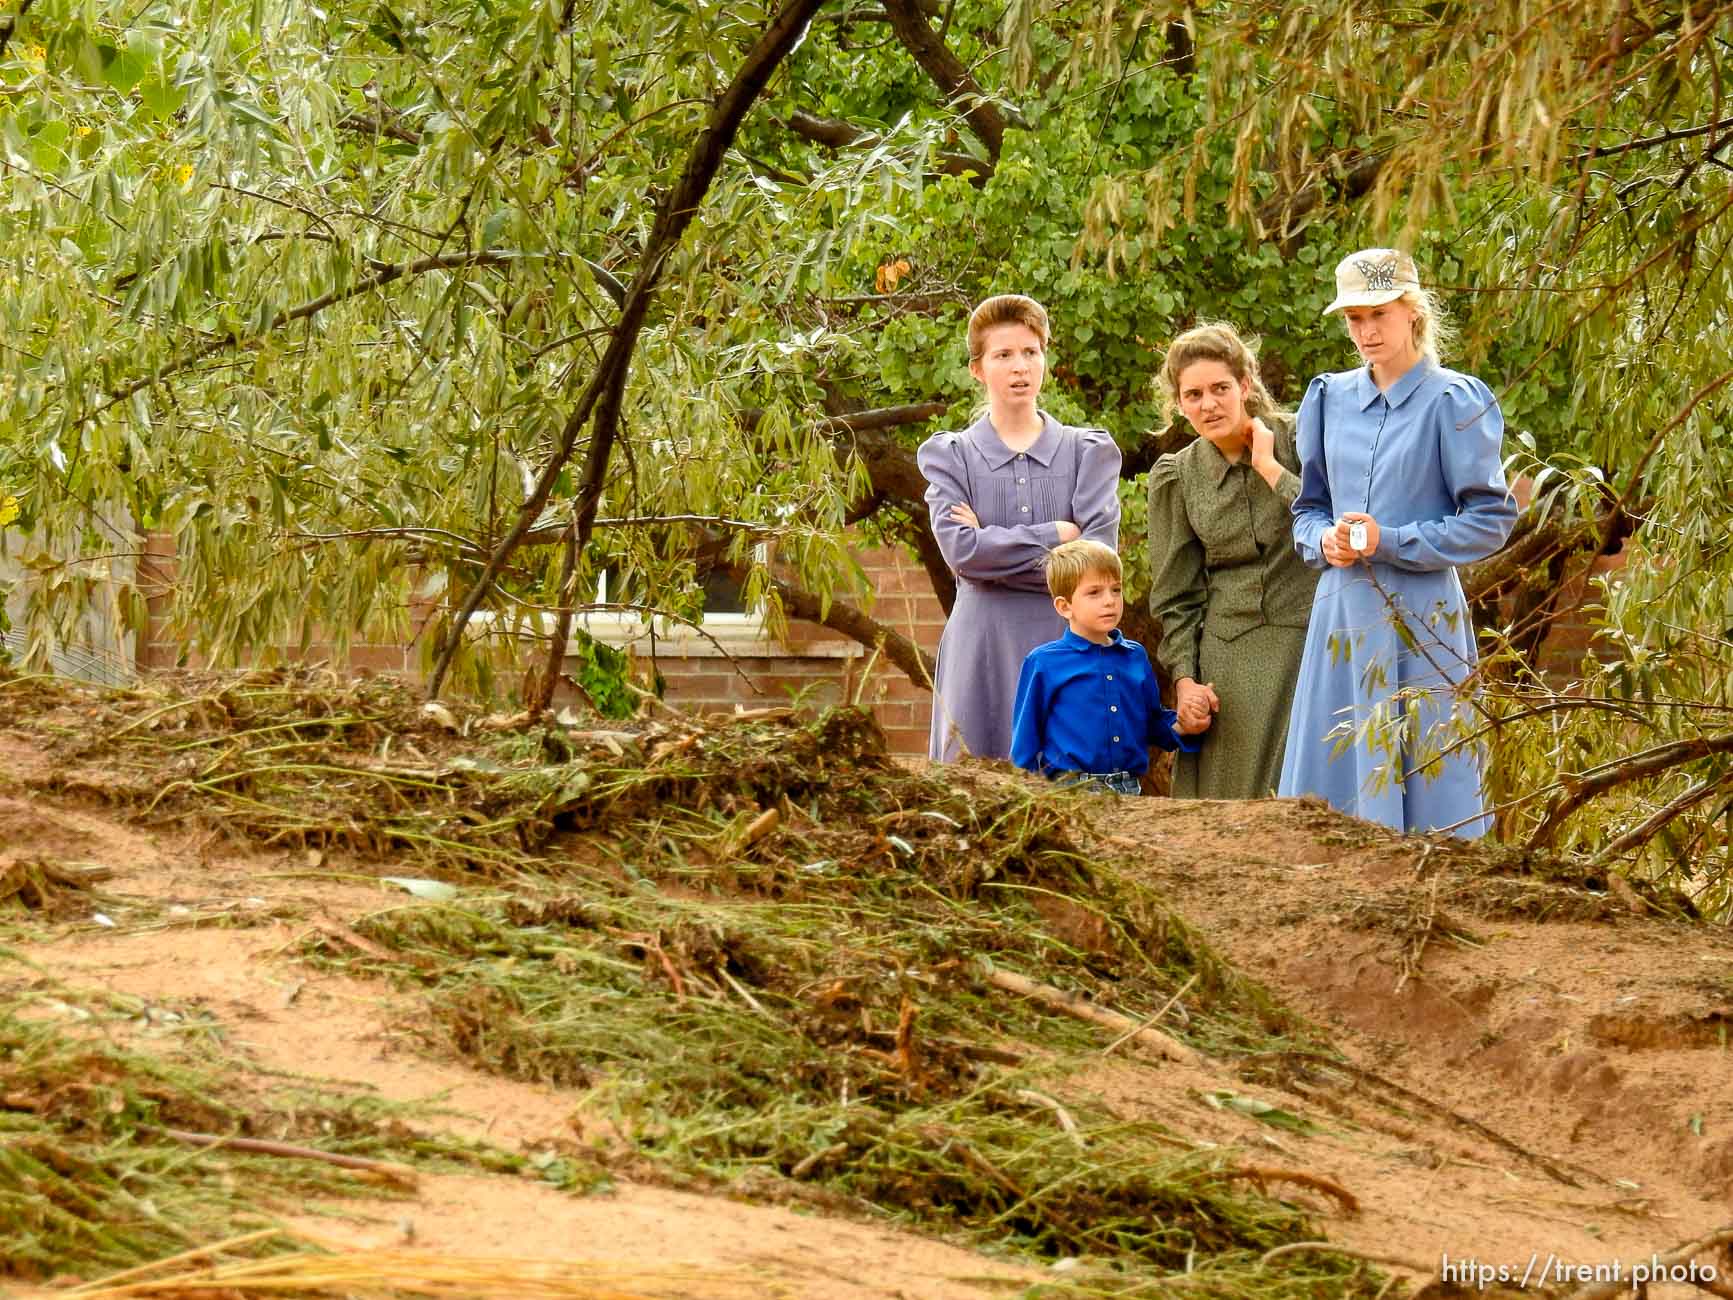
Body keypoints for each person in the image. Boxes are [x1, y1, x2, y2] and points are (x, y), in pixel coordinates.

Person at [1278, 249, 1518, 836]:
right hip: (1342, 615)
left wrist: (1393, 540)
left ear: (1412, 311)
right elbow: (1307, 509)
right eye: (1353, 319)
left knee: (1434, 796)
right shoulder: (1327, 399)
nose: (1365, 331)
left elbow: (1491, 518)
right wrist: (1322, 541)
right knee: (1332, 803)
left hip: (1422, 617)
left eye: (1377, 314)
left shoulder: (1454, 400)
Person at [918, 295, 1122, 762]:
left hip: (1066, 642)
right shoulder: (951, 457)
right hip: (981, 650)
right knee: (973, 799)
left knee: (1070, 795)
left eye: (1031, 352)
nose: (1020, 367)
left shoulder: (1086, 452)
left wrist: (992, 554)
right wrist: (1057, 534)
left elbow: (1097, 564)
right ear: (977, 369)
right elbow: (962, 554)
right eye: (1003, 355)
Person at [1147, 323, 1320, 798]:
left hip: (1309, 646)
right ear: (1179, 403)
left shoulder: (1303, 440)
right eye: (1193, 394)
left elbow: (1331, 525)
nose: (1208, 404)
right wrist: (1185, 681)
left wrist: (1271, 470)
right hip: (1226, 663)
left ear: (1245, 386)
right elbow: (1175, 595)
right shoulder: (1177, 477)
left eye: (1220, 388)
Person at [1010, 540, 1200, 794]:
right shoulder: (1043, 663)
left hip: (1130, 791)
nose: (1109, 601)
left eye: (1116, 590)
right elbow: (1024, 745)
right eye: (1094, 592)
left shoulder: (1135, 657)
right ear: (1064, 606)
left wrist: (1185, 725)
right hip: (1068, 794)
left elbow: (1152, 723)